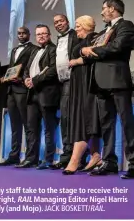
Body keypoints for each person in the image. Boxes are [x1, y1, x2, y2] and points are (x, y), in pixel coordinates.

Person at [80, 0, 134, 179]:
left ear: (113, 9)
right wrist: (85, 50)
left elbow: (117, 46)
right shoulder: (102, 32)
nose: (101, 12)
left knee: (127, 122)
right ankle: (109, 162)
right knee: (107, 125)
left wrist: (93, 51)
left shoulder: (126, 25)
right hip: (100, 82)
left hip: (117, 80)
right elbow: (85, 49)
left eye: (104, 9)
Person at [63, 15, 102, 175]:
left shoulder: (94, 37)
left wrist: (77, 60)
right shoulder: (81, 43)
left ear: (86, 26)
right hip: (79, 84)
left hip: (87, 84)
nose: (76, 28)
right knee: (85, 119)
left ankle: (75, 160)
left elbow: (94, 54)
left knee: (84, 119)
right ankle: (95, 155)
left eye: (78, 26)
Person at [18, 24, 60, 170]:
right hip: (32, 94)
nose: (41, 36)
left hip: (47, 94)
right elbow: (26, 70)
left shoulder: (54, 49)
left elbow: (53, 70)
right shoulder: (34, 51)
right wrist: (25, 79)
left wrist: (34, 80)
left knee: (49, 128)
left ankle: (48, 160)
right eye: (38, 34)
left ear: (49, 35)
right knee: (31, 128)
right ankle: (31, 158)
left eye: (44, 33)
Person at [0, 27, 37, 166]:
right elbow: (12, 68)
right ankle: (14, 155)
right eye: (19, 33)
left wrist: (20, 79)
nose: (21, 35)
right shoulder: (14, 50)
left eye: (24, 33)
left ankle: (30, 157)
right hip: (11, 91)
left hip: (23, 89)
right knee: (15, 126)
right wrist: (6, 77)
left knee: (28, 125)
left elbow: (31, 68)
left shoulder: (34, 49)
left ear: (29, 35)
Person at [53, 14, 81, 169]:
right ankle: (67, 154)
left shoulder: (75, 35)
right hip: (60, 83)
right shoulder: (57, 40)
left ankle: (70, 156)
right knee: (65, 119)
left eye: (61, 21)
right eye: (56, 22)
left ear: (67, 22)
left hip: (73, 81)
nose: (58, 24)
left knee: (69, 118)